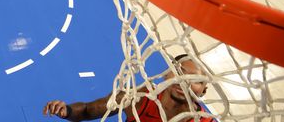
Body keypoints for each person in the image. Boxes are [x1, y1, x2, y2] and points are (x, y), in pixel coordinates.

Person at [43, 55, 211, 122]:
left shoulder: (204, 121)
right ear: (166, 73)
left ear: (203, 90)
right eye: (179, 72)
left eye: (195, 80)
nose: (183, 81)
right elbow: (88, 110)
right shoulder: (139, 98)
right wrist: (67, 110)